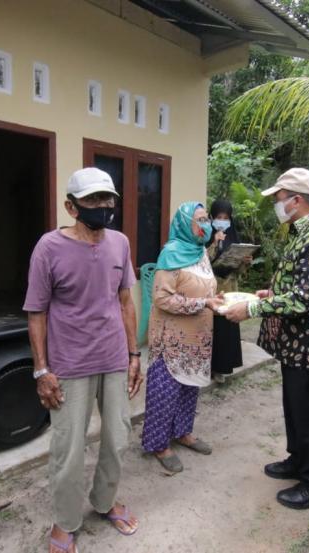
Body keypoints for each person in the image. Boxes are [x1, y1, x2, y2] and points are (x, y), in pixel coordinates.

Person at [24, 167, 143, 553]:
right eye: (93, 200)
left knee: (117, 437)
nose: (103, 207)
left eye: (108, 199)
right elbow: (37, 312)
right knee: (68, 448)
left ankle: (105, 501)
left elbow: (125, 300)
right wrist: (42, 370)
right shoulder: (48, 248)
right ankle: (66, 521)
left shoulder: (120, 244)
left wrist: (134, 354)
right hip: (69, 364)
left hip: (112, 359)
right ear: (71, 207)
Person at [224, 168, 309, 510]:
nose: (277, 205)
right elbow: (302, 286)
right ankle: (299, 461)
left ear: (296, 200)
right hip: (298, 339)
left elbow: (305, 299)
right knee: (295, 407)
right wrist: (272, 292)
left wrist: (251, 308)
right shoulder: (304, 230)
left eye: (279, 198)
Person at [141, 202, 224, 473]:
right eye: (199, 220)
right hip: (171, 340)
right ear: (184, 223)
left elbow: (205, 287)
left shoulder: (200, 251)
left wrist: (216, 299)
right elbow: (162, 298)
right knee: (165, 392)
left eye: (206, 219)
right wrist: (203, 303)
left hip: (198, 338)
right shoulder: (171, 253)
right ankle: (158, 444)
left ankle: (182, 432)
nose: (206, 224)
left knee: (190, 388)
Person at [207, 199, 249, 383]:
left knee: (226, 329)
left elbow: (238, 270)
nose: (222, 221)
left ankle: (222, 368)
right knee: (211, 329)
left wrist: (244, 262)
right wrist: (215, 242)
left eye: (226, 217)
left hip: (230, 289)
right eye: (219, 217)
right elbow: (201, 260)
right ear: (212, 217)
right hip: (211, 288)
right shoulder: (206, 235)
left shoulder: (233, 235)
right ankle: (208, 367)